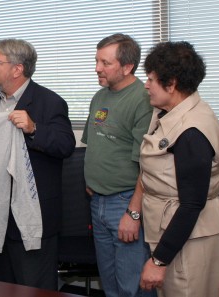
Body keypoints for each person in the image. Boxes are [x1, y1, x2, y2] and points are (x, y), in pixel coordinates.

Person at [0, 38, 75, 290]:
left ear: (17, 69)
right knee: (4, 286)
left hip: (33, 216)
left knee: (34, 288)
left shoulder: (50, 102)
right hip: (1, 214)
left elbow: (65, 145)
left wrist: (34, 128)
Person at [138, 41, 219, 296]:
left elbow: (191, 204)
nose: (146, 85)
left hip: (188, 239)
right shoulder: (172, 111)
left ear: (172, 84)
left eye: (151, 79)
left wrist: (158, 261)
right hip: (179, 234)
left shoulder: (191, 132)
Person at [81, 33, 153, 297]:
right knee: (109, 284)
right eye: (97, 60)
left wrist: (133, 213)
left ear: (127, 67)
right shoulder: (100, 97)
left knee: (131, 287)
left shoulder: (143, 100)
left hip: (125, 203)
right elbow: (96, 145)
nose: (97, 68)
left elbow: (148, 166)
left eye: (105, 63)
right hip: (97, 201)